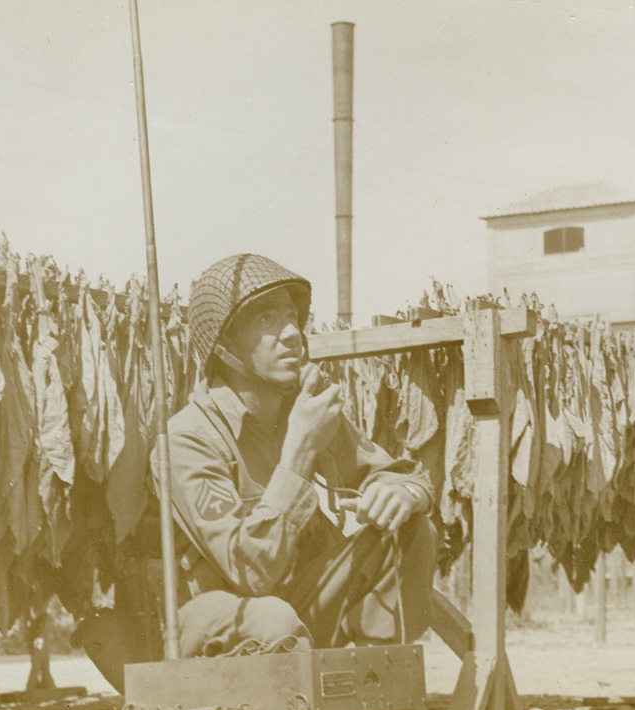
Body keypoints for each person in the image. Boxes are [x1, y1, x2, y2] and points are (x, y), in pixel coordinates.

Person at [154, 253, 438, 658]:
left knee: (413, 531)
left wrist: (405, 495)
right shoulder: (186, 440)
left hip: (296, 605)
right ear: (225, 345)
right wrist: (300, 449)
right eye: (266, 320)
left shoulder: (303, 412)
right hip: (218, 626)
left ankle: (373, 680)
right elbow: (250, 573)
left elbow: (404, 475)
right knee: (274, 619)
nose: (291, 334)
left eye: (291, 316)